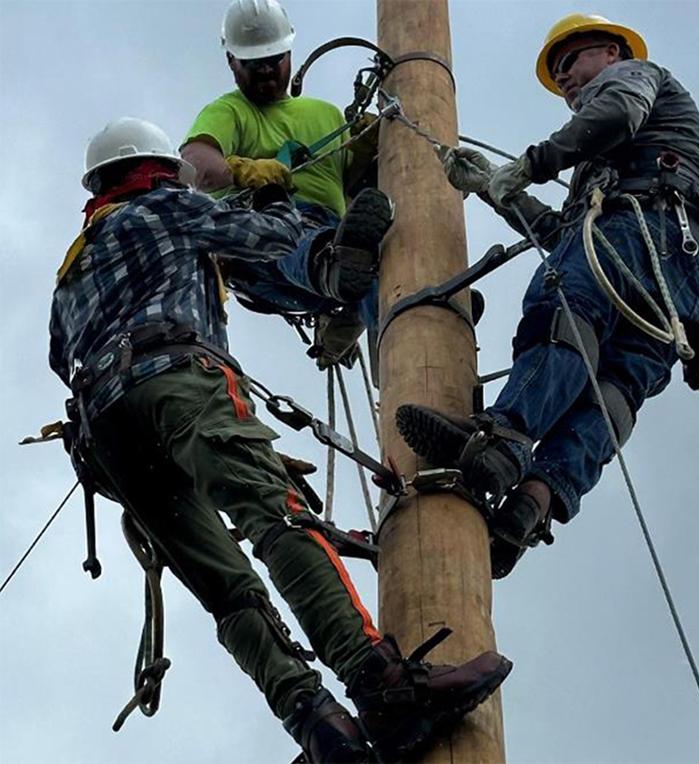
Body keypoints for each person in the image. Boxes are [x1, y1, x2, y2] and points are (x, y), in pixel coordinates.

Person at [49, 116, 512, 763]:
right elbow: (262, 238)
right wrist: (279, 207)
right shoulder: (164, 207)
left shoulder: (73, 266)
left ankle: (321, 729)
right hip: (179, 382)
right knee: (278, 520)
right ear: (156, 169)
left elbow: (57, 357)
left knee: (227, 591)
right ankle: (382, 686)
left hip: (109, 437)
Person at [396, 13, 699, 578]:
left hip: (646, 229)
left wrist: (533, 164)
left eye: (570, 65)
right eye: (558, 79)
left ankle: (501, 443)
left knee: (565, 310)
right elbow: (565, 237)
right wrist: (491, 189)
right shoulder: (624, 161)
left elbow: (618, 114)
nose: (566, 83)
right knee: (613, 392)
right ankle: (533, 502)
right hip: (686, 283)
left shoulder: (635, 78)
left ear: (610, 52)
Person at [181, 0, 382, 368]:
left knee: (375, 260)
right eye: (253, 65)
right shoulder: (229, 111)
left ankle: (414, 318)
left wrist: (367, 147)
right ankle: (330, 262)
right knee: (294, 232)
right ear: (231, 62)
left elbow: (342, 182)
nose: (267, 72)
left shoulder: (325, 114)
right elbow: (195, 167)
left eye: (274, 60)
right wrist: (242, 169)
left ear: (289, 51)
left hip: (334, 238)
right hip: (261, 246)